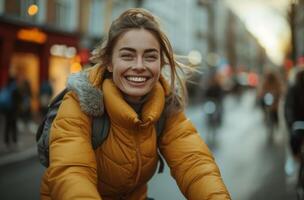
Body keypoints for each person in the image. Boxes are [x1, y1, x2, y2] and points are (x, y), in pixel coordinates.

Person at [40, 8, 230, 200]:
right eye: (127, 55)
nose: (139, 66)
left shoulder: (165, 106)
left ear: (160, 64)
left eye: (150, 56)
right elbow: (72, 172)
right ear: (109, 63)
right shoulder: (79, 102)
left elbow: (194, 164)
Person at [284, 68, 304, 158]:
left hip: (297, 121)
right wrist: (291, 122)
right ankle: (296, 156)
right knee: (296, 138)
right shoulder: (294, 89)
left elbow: (288, 107)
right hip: (298, 122)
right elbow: (289, 107)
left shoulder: (293, 88)